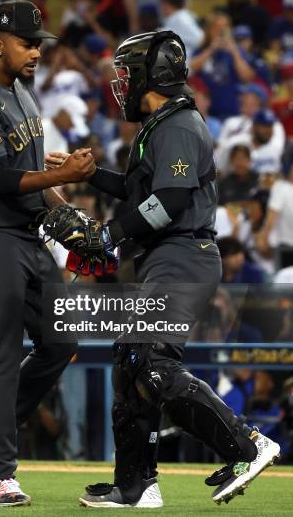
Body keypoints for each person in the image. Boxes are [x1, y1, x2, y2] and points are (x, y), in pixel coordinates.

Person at [68, 30, 280, 507]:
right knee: (129, 361)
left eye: (126, 74)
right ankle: (135, 484)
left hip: (183, 255)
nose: (121, 84)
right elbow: (145, 190)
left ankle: (247, 445)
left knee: (152, 360)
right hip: (167, 257)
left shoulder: (179, 124)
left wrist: (109, 235)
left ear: (150, 74)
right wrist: (90, 176)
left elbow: (169, 202)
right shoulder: (162, 124)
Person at [0, 0, 95, 507]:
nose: (35, 51)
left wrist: (67, 216)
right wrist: (64, 177)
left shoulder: (22, 91)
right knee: (3, 352)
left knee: (62, 339)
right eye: (26, 42)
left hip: (26, 233)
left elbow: (32, 174)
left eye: (38, 43)